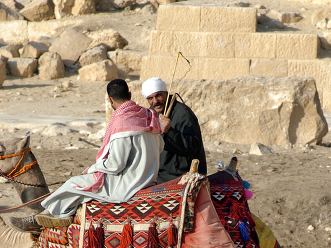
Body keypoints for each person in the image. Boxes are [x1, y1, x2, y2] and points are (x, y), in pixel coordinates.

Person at [32, 78, 165, 229]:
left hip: (128, 184)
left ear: (110, 99)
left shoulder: (123, 121)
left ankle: (54, 214)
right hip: (149, 177)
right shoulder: (149, 115)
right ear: (129, 94)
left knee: (73, 184)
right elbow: (160, 146)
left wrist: (93, 168)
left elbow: (116, 165)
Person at [141, 77, 207, 184]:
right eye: (150, 98)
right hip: (159, 171)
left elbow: (193, 146)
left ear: (166, 93)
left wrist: (169, 131)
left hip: (180, 173)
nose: (155, 101)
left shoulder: (182, 113)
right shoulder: (151, 114)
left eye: (158, 95)